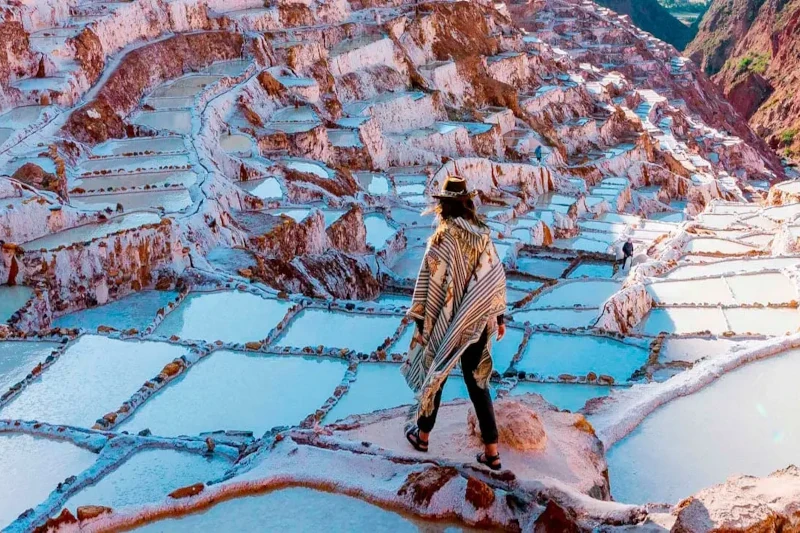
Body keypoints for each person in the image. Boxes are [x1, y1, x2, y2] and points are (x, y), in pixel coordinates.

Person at [401, 176, 507, 470]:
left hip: (447, 323)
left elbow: (427, 284)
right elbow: (494, 279)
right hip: (477, 321)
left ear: (444, 205)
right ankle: (492, 452)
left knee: (437, 374)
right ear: (467, 202)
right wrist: (499, 317)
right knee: (477, 385)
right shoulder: (482, 235)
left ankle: (422, 436)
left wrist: (422, 322)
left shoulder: (442, 238)